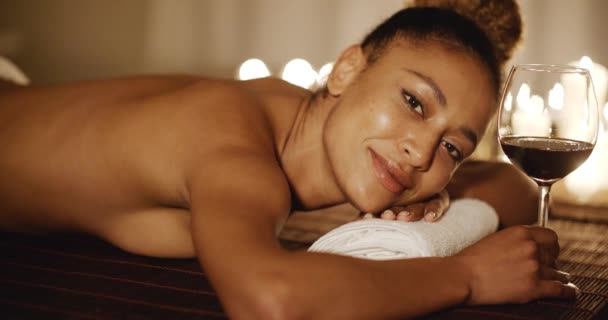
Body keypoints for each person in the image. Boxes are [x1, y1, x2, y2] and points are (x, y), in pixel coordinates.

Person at [0, 0, 577, 319]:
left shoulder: (301, 118)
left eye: (452, 146)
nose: (421, 150)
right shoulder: (236, 155)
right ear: (347, 69)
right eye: (412, 102)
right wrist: (467, 277)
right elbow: (268, 300)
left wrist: (444, 194)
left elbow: (513, 184)